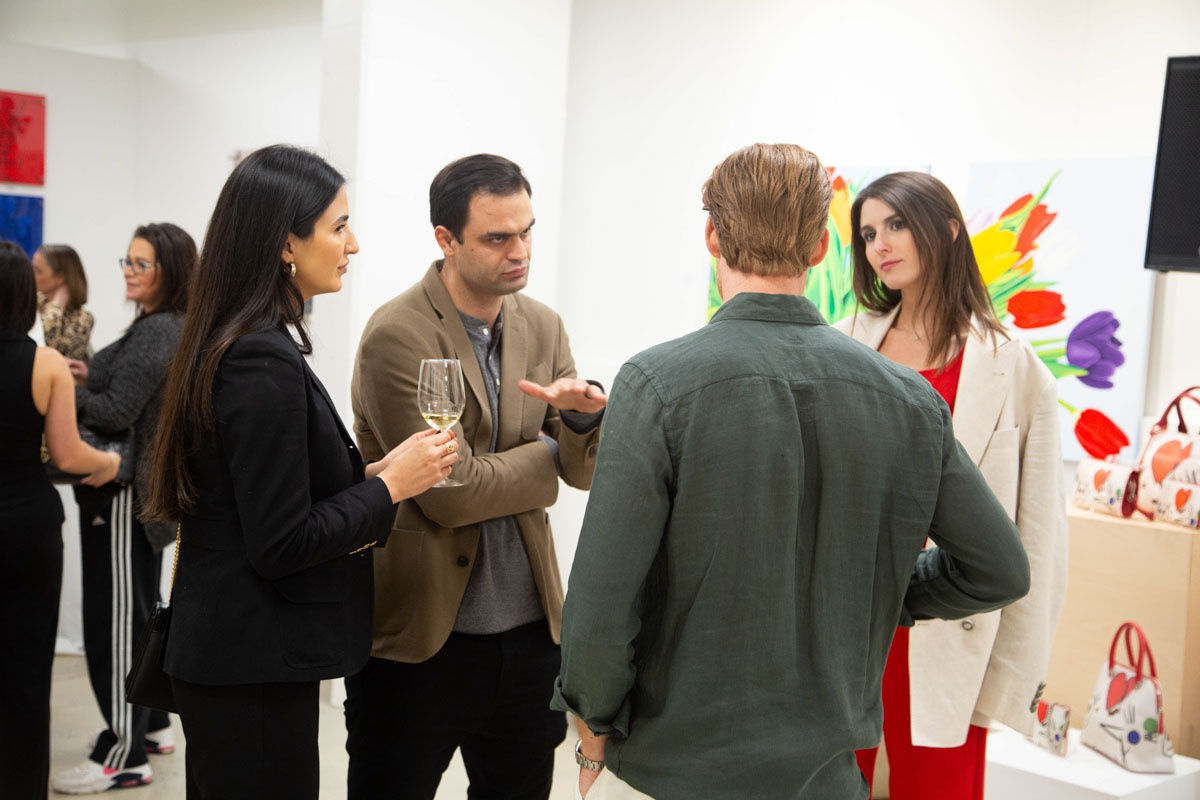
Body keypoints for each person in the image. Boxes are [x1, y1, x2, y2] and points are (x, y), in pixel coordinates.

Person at [551, 144, 1032, 800]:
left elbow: (603, 599)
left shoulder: (656, 383)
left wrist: (592, 722)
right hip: (827, 781)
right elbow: (999, 568)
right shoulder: (911, 399)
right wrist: (883, 590)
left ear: (712, 236)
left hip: (670, 773)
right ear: (819, 248)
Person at [141, 144, 457, 800]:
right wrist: (389, 487)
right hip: (250, 666)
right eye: (338, 226)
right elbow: (281, 543)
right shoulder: (261, 361)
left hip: (237, 661)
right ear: (287, 243)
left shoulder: (241, 342)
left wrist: (373, 474)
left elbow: (260, 496)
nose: (354, 244)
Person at [347, 153, 605, 799]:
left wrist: (575, 426)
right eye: (497, 237)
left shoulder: (542, 324)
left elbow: (582, 472)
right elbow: (449, 494)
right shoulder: (396, 334)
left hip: (528, 636)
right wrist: (542, 455)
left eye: (526, 231)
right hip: (420, 639)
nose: (519, 251)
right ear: (446, 239)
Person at [841, 171, 1067, 800]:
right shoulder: (848, 342)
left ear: (945, 229)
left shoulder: (1010, 363)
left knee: (935, 785)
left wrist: (1017, 669)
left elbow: (1034, 532)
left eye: (896, 224)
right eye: (867, 233)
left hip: (943, 609)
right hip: (851, 604)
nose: (879, 244)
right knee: (828, 777)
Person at [50, 222, 195, 794]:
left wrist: (60, 386)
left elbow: (113, 411)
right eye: (127, 261)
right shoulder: (158, 327)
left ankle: (123, 753)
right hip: (140, 500)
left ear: (171, 272)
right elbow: (123, 391)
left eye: (142, 263)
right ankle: (153, 725)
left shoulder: (160, 330)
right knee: (137, 614)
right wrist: (87, 375)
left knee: (114, 623)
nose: (129, 272)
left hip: (122, 499)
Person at [0, 241, 119, 800]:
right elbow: (69, 456)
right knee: (25, 673)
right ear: (26, 294)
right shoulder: (43, 362)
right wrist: (113, 462)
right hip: (24, 529)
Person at [33, 243, 94, 361]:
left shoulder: (83, 319)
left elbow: (49, 354)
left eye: (38, 271)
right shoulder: (31, 303)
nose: (32, 275)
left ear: (60, 277)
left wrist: (56, 306)